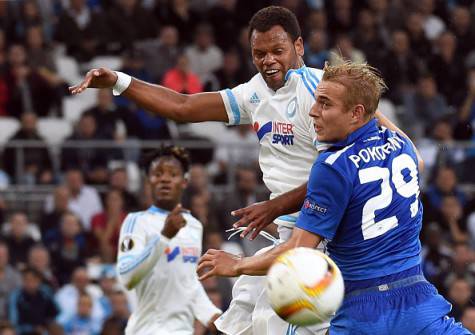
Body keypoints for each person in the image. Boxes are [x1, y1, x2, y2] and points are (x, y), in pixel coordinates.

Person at [70, 6, 399, 334]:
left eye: (277, 51)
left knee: (275, 323)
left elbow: (337, 175)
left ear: (298, 47)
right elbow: (182, 107)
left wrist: (274, 206)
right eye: (259, 53)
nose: (268, 59)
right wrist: (119, 81)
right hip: (289, 232)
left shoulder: (318, 95)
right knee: (239, 318)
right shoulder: (255, 92)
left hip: (322, 235)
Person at [197, 62, 471, 334]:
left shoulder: (333, 166)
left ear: (355, 113)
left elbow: (299, 253)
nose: (313, 112)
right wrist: (364, 102)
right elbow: (420, 162)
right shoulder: (402, 146)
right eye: (316, 101)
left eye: (325, 104)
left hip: (362, 313)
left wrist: (238, 265)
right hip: (417, 303)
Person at [115, 146, 221, 334]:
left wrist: (211, 315)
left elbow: (188, 282)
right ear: (149, 180)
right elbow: (126, 277)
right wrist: (163, 238)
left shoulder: (194, 226)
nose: (164, 179)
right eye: (158, 174)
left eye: (173, 174)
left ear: (185, 181)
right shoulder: (136, 221)